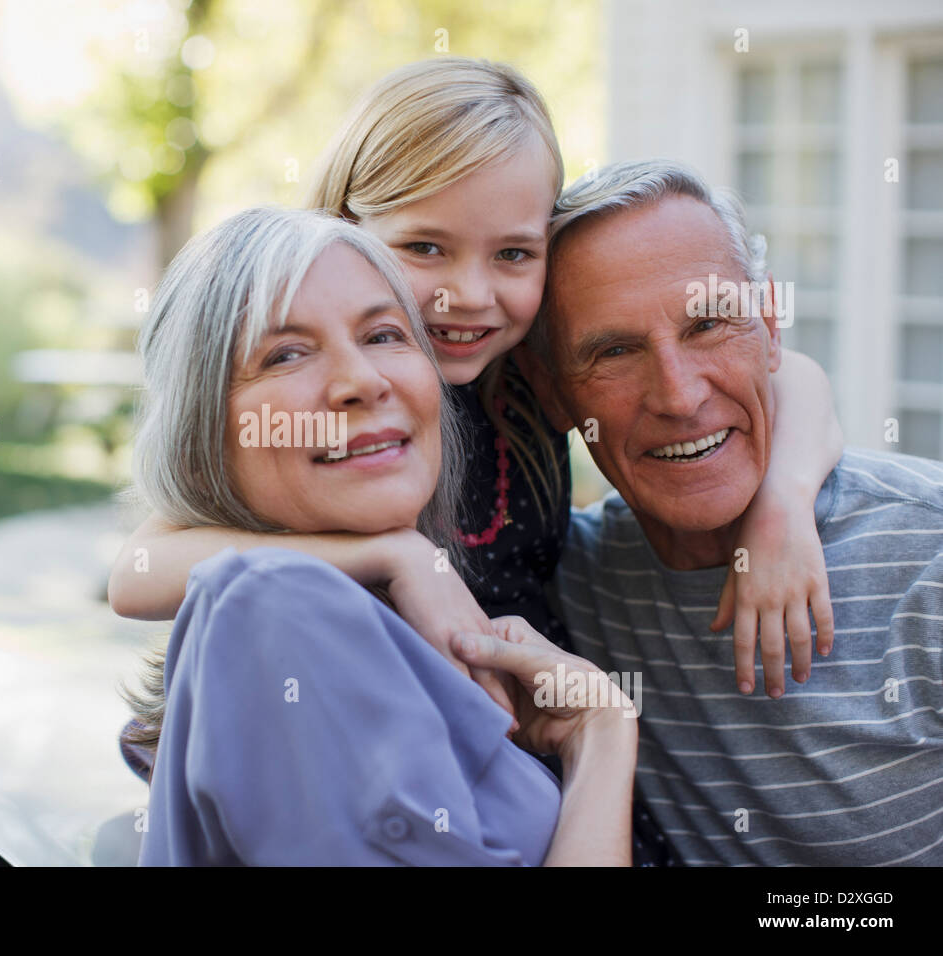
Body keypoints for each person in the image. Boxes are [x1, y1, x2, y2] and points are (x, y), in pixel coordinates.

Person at [112, 58, 842, 864]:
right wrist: (395, 556)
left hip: (533, 732)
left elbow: (786, 372)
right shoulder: (340, 419)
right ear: (351, 227)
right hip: (403, 742)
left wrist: (780, 508)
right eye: (426, 247)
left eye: (514, 255)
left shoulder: (519, 364)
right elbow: (139, 572)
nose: (471, 294)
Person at [131, 205, 639, 865]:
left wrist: (599, 726)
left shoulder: (370, 621)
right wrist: (602, 741)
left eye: (383, 336)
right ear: (203, 441)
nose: (363, 381)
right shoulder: (277, 608)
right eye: (286, 353)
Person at [474, 158, 943, 865]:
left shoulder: (927, 562)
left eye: (708, 325)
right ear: (551, 391)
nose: (680, 395)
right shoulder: (569, 581)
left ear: (771, 327)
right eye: (617, 351)